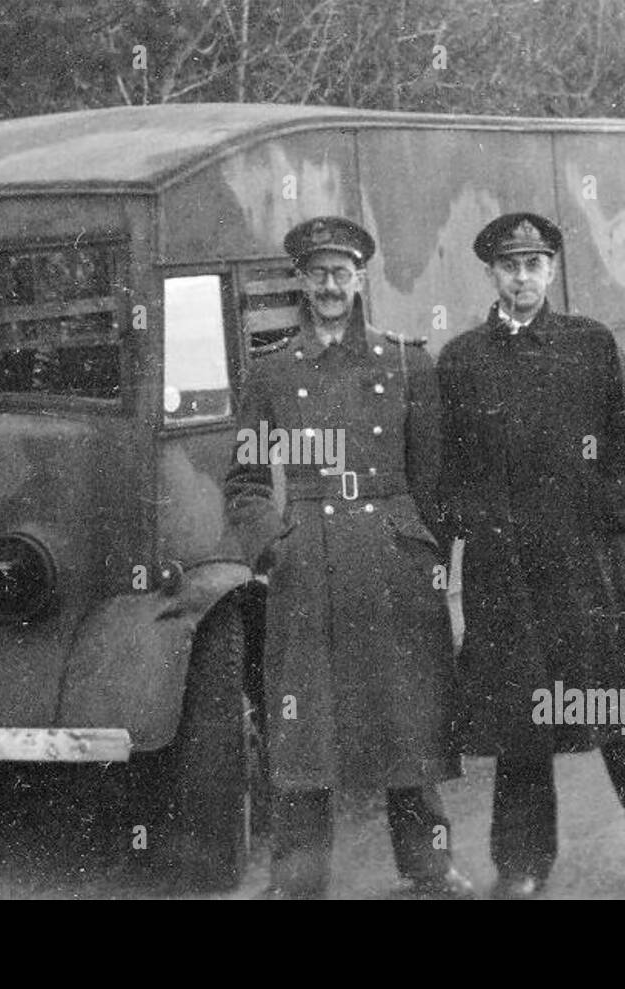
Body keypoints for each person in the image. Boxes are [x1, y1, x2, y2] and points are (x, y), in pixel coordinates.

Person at [435, 212, 625, 901]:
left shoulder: (591, 345)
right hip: (506, 578)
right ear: (491, 275)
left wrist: (604, 514)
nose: (522, 277)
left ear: (552, 271)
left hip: (590, 570)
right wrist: (475, 529)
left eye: (535, 264)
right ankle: (522, 865)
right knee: (522, 727)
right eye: (510, 266)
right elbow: (446, 471)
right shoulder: (462, 360)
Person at [223, 215, 472, 899]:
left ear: (360, 277)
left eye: (342, 272)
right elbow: (245, 482)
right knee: (303, 722)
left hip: (393, 561)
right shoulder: (271, 372)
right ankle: (298, 881)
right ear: (300, 281)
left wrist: (428, 556)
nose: (330, 286)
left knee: (408, 713)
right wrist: (275, 547)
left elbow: (435, 481)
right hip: (309, 565)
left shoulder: (405, 362)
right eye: (317, 273)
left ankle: (429, 866)